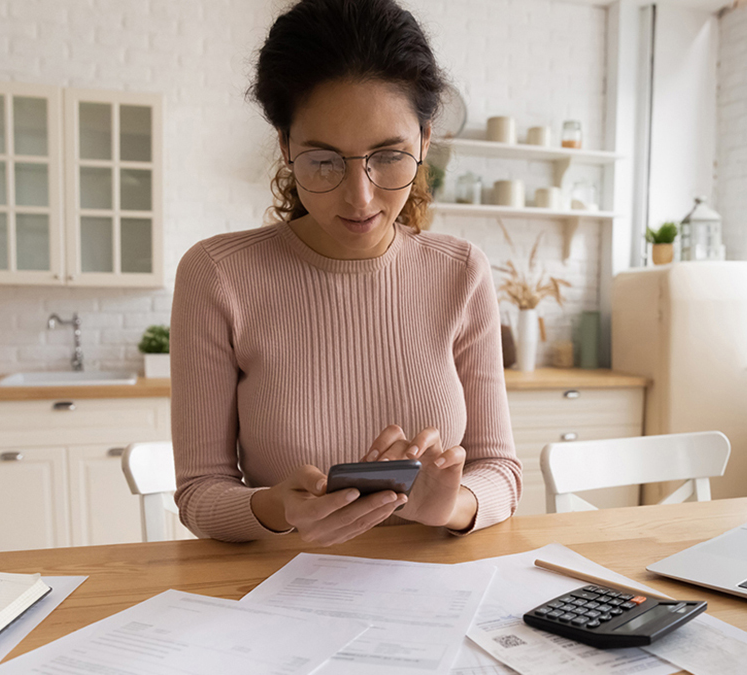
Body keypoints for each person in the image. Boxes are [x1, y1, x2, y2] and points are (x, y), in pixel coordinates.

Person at [170, 0, 521, 545]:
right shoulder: (217, 275)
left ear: (426, 140)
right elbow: (199, 494)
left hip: (435, 590)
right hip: (280, 593)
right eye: (324, 160)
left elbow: (500, 470)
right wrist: (274, 509)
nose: (360, 198)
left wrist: (452, 506)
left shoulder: (461, 272)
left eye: (389, 156)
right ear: (285, 144)